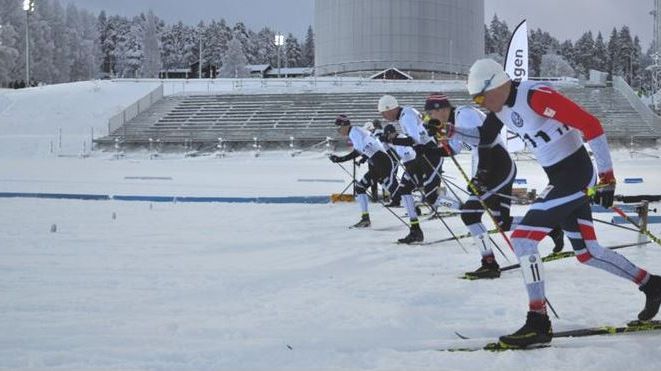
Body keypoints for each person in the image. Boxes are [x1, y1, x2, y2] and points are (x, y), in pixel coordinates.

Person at [466, 58, 661, 348]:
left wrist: (607, 177)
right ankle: (653, 285)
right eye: (475, 100)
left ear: (497, 84)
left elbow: (591, 125)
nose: (480, 104)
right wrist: (443, 134)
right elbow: (483, 137)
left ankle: (538, 322)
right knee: (588, 252)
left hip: (575, 173)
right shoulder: (499, 108)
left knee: (522, 239)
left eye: (481, 97)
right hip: (559, 177)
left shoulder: (535, 96)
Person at [424, 93, 565, 279]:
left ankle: (489, 263)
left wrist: (481, 176)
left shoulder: (464, 114)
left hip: (496, 166)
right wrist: (429, 148)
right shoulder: (454, 120)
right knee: (502, 222)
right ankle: (549, 226)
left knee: (470, 214)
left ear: (440, 109)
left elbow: (485, 140)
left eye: (430, 112)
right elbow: (455, 149)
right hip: (492, 168)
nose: (430, 116)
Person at [329, 115, 421, 240]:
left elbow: (358, 152)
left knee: (395, 190)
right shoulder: (355, 131)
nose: (338, 131)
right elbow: (366, 150)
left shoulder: (354, 132)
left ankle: (414, 209)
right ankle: (365, 218)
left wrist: (340, 159)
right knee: (362, 188)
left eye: (339, 127)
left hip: (381, 161)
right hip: (377, 162)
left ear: (345, 125)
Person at [378, 95, 445, 210]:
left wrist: (391, 140)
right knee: (404, 188)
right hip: (421, 154)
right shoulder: (407, 112)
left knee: (431, 196)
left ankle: (461, 207)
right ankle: (414, 225)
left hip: (430, 153)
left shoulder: (406, 116)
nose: (384, 117)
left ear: (390, 108)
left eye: (384, 113)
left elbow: (413, 140)